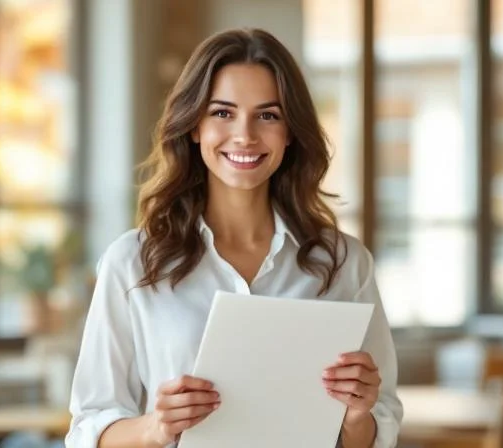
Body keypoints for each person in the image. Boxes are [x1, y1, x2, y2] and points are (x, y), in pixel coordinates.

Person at [65, 28, 402, 448]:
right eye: (223, 113)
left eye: (268, 115)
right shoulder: (132, 263)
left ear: (291, 132)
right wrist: (156, 428)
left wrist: (357, 414)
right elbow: (87, 430)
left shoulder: (344, 263)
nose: (245, 135)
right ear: (194, 127)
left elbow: (377, 427)